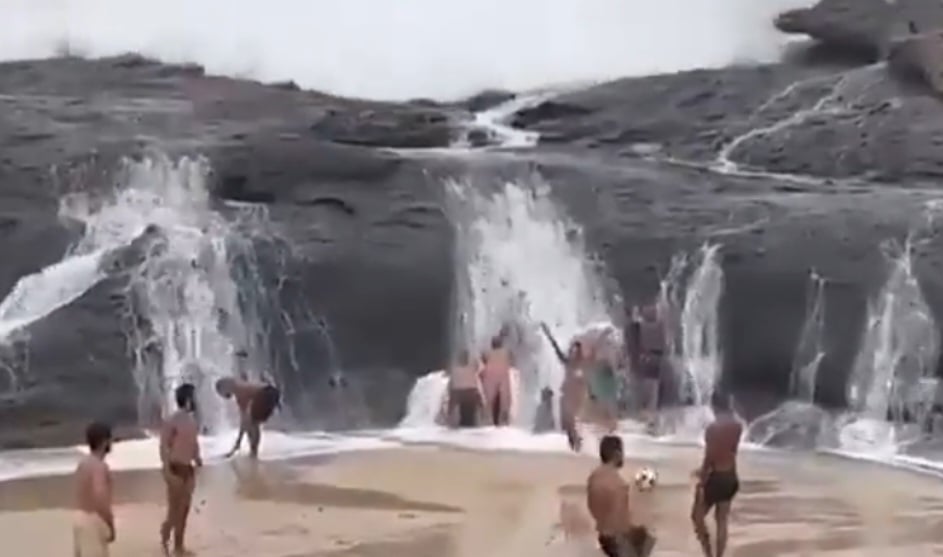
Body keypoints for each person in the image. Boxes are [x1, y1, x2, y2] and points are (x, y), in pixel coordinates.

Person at [691, 391, 743, 557]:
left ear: (713, 406)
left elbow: (710, 457)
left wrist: (702, 479)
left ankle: (708, 553)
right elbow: (731, 451)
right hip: (731, 476)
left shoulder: (712, 429)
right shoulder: (737, 426)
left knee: (697, 517)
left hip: (716, 477)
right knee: (722, 520)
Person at [587, 435, 656, 557]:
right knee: (647, 537)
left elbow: (592, 507)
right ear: (617, 454)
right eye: (622, 452)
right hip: (616, 539)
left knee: (642, 534)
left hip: (602, 535)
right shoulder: (618, 484)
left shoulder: (594, 477)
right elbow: (620, 521)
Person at [160, 383, 203, 556]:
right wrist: (166, 470)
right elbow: (164, 445)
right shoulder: (173, 420)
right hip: (175, 467)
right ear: (187, 399)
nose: (196, 401)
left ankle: (179, 545)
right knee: (174, 510)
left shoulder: (192, 420)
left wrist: (197, 457)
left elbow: (193, 442)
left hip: (188, 469)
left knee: (184, 510)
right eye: (194, 397)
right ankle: (165, 535)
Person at [73, 421, 115, 557]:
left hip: (79, 517)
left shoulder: (83, 463)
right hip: (92, 520)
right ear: (104, 442)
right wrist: (110, 522)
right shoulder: (99, 467)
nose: (112, 443)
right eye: (110, 439)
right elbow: (100, 496)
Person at [215, 376, 281, 458]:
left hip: (267, 393)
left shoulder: (239, 391)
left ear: (225, 388)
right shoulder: (241, 385)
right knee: (253, 422)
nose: (222, 396)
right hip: (272, 391)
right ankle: (253, 450)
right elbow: (245, 421)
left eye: (220, 393)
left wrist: (237, 443)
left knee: (252, 423)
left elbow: (244, 421)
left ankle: (254, 452)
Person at [628, 305, 666, 433]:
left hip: (651, 360)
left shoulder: (655, 326)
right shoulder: (643, 326)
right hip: (649, 359)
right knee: (649, 391)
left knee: (651, 391)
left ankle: (650, 420)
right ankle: (648, 420)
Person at [480, 335, 513, 426]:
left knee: (489, 401)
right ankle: (504, 422)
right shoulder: (506, 352)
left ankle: (487, 421)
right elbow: (511, 360)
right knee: (505, 401)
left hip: (490, 378)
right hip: (502, 378)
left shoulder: (487, 353)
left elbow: (483, 359)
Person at [447, 349, 484, 428]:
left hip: (458, 394)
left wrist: (450, 399)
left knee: (451, 403)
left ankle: (449, 422)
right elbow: (479, 366)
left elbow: (450, 385)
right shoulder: (472, 366)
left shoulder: (454, 369)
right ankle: (486, 421)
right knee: (481, 403)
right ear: (467, 358)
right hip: (471, 393)